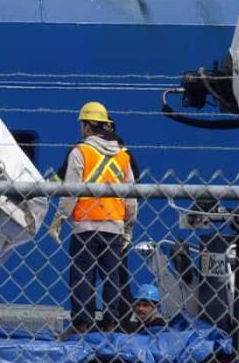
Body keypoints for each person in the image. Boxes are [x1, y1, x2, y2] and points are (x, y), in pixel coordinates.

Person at [49, 101, 137, 334]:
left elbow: (71, 190)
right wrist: (129, 226)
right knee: (112, 277)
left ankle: (82, 325)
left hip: (85, 226)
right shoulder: (123, 156)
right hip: (114, 226)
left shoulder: (81, 151)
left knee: (82, 276)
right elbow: (131, 196)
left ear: (87, 126)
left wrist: (59, 219)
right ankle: (110, 324)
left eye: (82, 124)